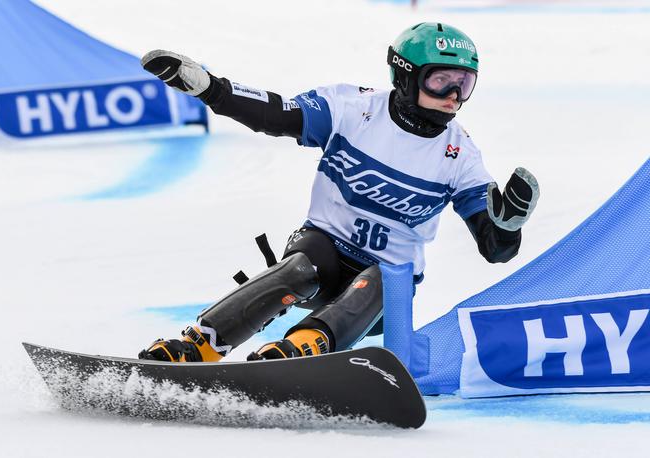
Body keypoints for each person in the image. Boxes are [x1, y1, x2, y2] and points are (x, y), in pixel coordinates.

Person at [138, 22, 539, 363]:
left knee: (388, 276)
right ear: (405, 76)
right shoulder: (351, 108)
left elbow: (495, 249)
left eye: (464, 84)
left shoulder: (461, 155)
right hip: (320, 258)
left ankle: (301, 351)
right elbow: (276, 115)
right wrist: (213, 89)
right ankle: (199, 345)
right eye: (440, 81)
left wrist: (508, 226)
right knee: (300, 268)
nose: (453, 96)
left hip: (384, 296)